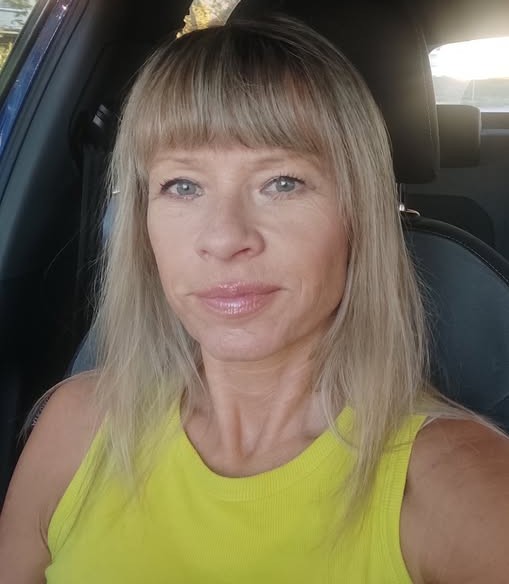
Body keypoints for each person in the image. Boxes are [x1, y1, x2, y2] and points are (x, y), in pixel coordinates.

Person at [0, 15, 508, 584]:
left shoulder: (458, 487)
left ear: (358, 215)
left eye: (282, 183)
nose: (224, 238)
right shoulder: (76, 426)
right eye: (183, 186)